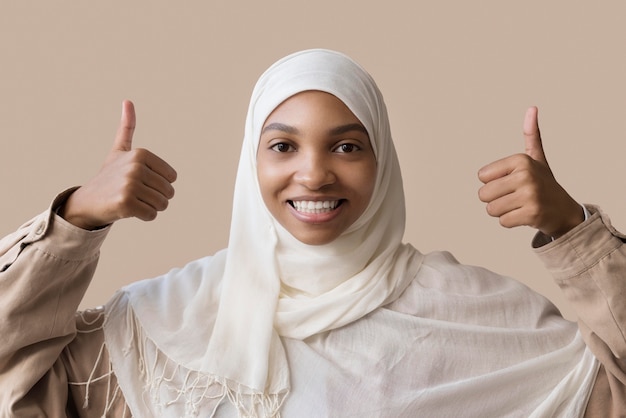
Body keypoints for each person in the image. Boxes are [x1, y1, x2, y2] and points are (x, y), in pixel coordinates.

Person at [1, 49, 625, 417]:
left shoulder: (471, 314)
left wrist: (571, 229)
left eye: (348, 145)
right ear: (252, 162)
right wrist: (77, 217)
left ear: (383, 164)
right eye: (282, 145)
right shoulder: (165, 325)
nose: (315, 172)